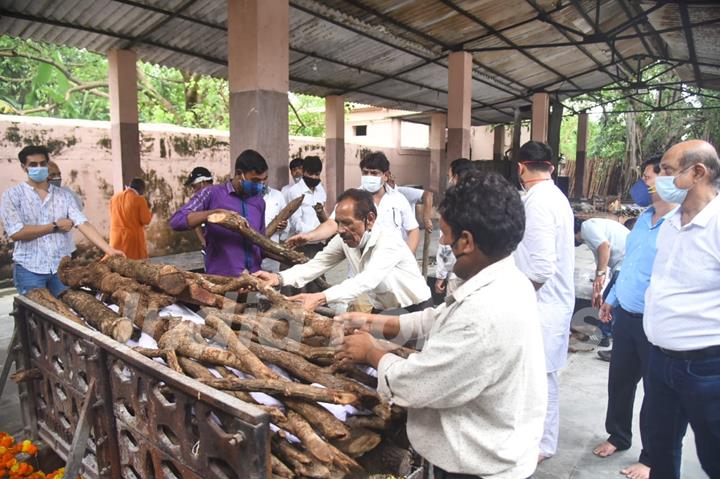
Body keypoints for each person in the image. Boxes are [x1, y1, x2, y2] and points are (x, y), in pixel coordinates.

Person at [337, 171, 547, 478]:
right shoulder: (508, 280)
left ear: (467, 241)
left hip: (476, 466)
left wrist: (371, 353)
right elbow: (437, 318)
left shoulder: (484, 312)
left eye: (446, 234)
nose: (443, 242)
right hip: (494, 448)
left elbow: (417, 384)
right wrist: (372, 321)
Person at [589, 154, 677, 479]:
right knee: (621, 382)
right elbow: (629, 265)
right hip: (626, 314)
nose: (645, 182)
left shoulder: (681, 225)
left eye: (650, 176)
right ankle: (618, 436)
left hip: (656, 323)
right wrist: (611, 298)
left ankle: (651, 456)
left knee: (656, 392)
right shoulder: (644, 218)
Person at [643, 140, 720, 479]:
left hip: (705, 367)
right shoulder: (672, 221)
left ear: (698, 173)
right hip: (660, 360)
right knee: (659, 448)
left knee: (713, 455)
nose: (659, 179)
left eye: (668, 172)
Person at [254, 189, 431, 313]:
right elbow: (317, 264)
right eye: (338, 223)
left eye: (347, 223)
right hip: (383, 309)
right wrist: (278, 278)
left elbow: (365, 281)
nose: (340, 230)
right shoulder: (345, 240)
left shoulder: (388, 241)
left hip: (415, 310)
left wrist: (320, 297)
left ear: (369, 219)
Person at [513, 141, 575, 463]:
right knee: (537, 376)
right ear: (551, 167)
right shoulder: (553, 197)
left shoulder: (539, 202)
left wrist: (514, 297)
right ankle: (535, 437)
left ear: (521, 167)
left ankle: (543, 444)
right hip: (549, 302)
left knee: (542, 377)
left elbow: (540, 268)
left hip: (543, 304)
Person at [0, 146, 124, 297]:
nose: (39, 167)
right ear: (23, 167)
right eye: (33, 164)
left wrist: (110, 250)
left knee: (67, 314)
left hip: (61, 270)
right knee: (35, 316)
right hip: (29, 270)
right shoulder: (12, 196)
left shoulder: (63, 196)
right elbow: (16, 232)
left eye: (42, 163)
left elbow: (83, 223)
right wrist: (54, 226)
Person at [287, 152, 420, 253]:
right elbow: (332, 224)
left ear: (385, 175)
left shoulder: (398, 199)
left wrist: (407, 258)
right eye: (365, 173)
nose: (369, 177)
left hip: (392, 269)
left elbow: (413, 230)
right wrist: (309, 236)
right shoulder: (350, 199)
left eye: (374, 173)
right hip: (361, 269)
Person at [170, 149, 267, 276]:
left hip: (253, 278)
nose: (260, 184)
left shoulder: (259, 202)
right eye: (255, 180)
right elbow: (177, 221)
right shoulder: (211, 193)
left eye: (263, 180)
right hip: (220, 278)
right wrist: (213, 213)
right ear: (239, 174)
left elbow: (261, 241)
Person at [575, 216, 630, 349]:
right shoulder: (591, 235)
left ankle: (603, 336)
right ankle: (607, 333)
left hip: (626, 262)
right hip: (624, 262)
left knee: (609, 301)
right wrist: (597, 288)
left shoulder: (587, 227)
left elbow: (604, 247)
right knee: (610, 299)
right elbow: (601, 262)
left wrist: (600, 276)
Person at [284, 155, 327, 247]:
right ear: (303, 172)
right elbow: (296, 223)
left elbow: (323, 214)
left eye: (317, 174)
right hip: (302, 244)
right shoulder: (295, 191)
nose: (314, 177)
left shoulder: (320, 190)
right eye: (310, 174)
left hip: (320, 242)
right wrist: (317, 233)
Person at [109, 177, 153, 260]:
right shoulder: (139, 199)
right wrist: (150, 212)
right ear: (141, 189)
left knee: (115, 261)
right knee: (135, 263)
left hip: (115, 236)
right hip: (131, 238)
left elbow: (112, 215)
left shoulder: (114, 197)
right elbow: (146, 220)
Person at [184, 166, 214, 252]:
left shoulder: (217, 196)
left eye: (194, 186)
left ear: (202, 182)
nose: (193, 190)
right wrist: (204, 243)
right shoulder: (200, 201)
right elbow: (196, 223)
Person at [262, 181, 288, 273]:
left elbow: (286, 220)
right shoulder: (245, 196)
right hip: (250, 249)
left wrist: (284, 225)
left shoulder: (278, 195)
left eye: (264, 178)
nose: (262, 182)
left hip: (272, 249)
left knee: (272, 282)